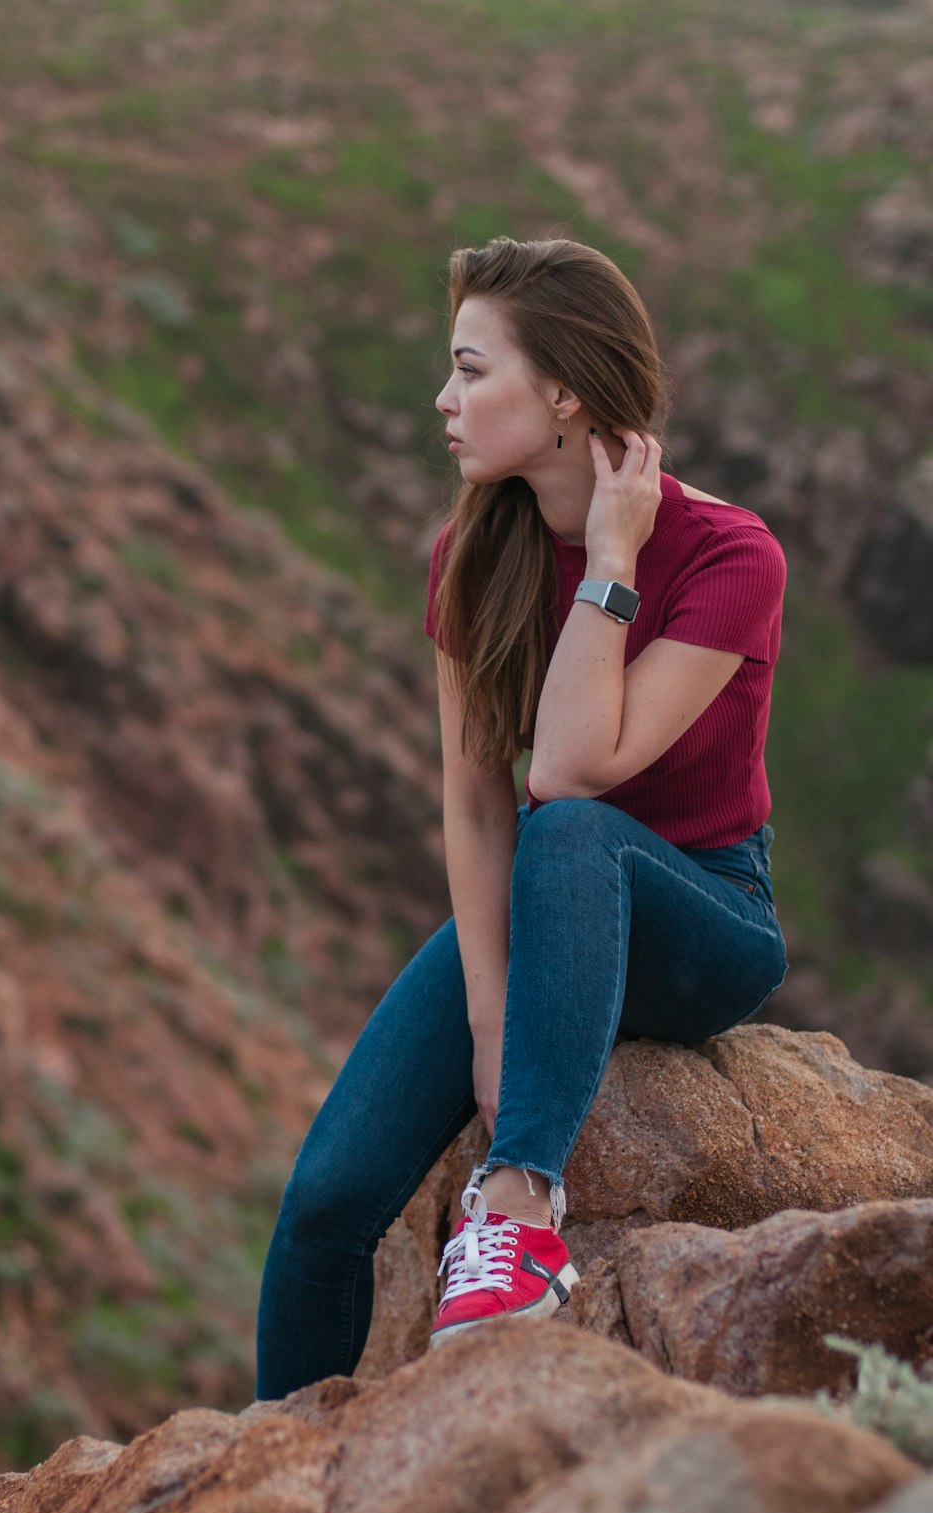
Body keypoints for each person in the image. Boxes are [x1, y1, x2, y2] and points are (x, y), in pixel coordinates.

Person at [255, 235, 787, 1398]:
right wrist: (491, 1014)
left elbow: (574, 770)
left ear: (563, 395)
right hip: (544, 897)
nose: (445, 402)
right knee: (327, 1203)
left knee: (573, 831)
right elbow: (475, 799)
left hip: (702, 914)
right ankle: (266, 1460)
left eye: (470, 370)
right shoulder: (472, 556)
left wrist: (609, 562)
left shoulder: (731, 555)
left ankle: (520, 1211)